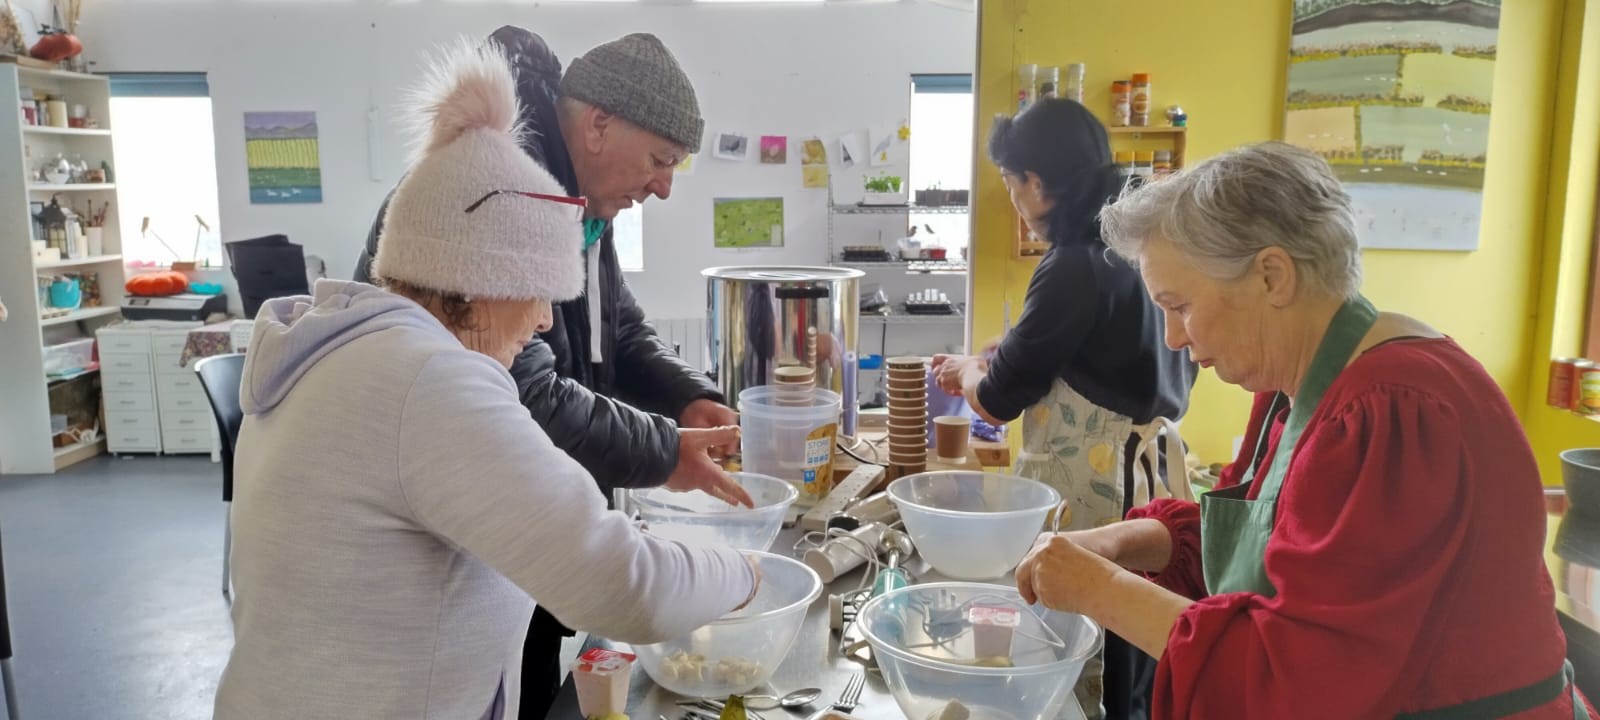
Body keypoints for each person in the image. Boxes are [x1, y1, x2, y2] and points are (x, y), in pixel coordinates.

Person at [214, 41, 758, 720]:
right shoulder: (431, 386)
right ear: (482, 282)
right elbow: (624, 584)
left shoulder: (345, 351)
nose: (543, 321)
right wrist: (748, 575)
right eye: (538, 292)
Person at [1016, 141, 1594, 718]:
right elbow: (1273, 544)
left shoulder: (1391, 412)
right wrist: (1123, 543)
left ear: (1272, 277)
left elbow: (1299, 678)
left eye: (1181, 305)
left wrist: (1100, 590)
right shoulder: (1297, 389)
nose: (1173, 337)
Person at [931, 97, 1195, 720]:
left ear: (1037, 182)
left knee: (1079, 652)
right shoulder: (1136, 246)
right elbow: (1096, 351)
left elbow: (997, 402)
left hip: (1096, 489)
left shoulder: (1074, 261)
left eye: (1010, 182)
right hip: (1151, 486)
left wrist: (969, 372)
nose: (1012, 199)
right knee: (1134, 655)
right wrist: (1009, 351)